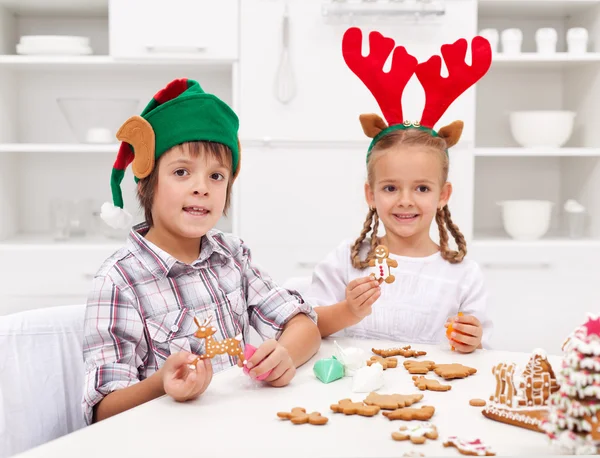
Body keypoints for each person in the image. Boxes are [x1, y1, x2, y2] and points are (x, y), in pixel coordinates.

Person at [82, 78, 320, 425]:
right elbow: (103, 411)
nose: (201, 188)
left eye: (216, 176)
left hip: (244, 427)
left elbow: (303, 325)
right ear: (147, 182)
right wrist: (161, 385)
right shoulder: (118, 282)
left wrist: (284, 354)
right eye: (182, 172)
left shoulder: (233, 255)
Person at [305, 28, 494, 351]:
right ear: (371, 194)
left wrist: (472, 340)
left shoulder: (463, 275)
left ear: (443, 195)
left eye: (421, 188)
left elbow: (480, 349)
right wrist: (347, 311)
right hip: (348, 393)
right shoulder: (347, 261)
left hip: (434, 396)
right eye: (391, 187)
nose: (405, 201)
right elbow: (308, 326)